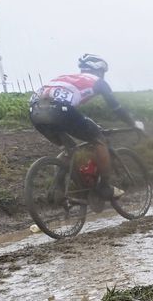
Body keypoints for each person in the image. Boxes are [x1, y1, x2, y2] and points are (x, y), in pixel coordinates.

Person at [28, 54, 144, 200]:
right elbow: (116, 108)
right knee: (99, 140)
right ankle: (104, 187)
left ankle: (57, 188)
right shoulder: (98, 81)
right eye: (103, 72)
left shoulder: (65, 77)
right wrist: (133, 124)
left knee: (69, 148)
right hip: (60, 111)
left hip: (35, 111)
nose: (103, 76)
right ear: (98, 71)